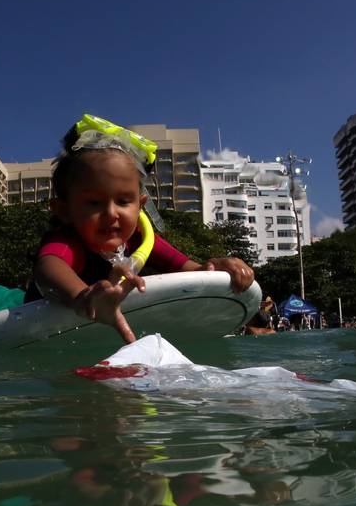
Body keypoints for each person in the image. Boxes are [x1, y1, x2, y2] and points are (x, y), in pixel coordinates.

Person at [27, 116, 255, 343]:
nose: (111, 213)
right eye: (93, 203)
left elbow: (194, 271)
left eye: (124, 201)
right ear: (64, 211)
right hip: (39, 332)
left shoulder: (141, 239)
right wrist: (83, 298)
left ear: (140, 206)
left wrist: (217, 266)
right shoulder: (68, 240)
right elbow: (49, 267)